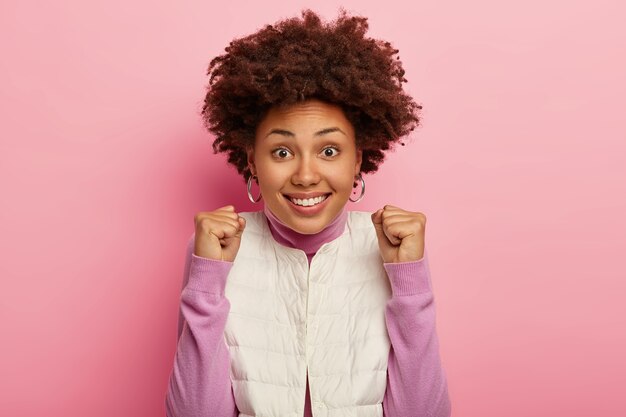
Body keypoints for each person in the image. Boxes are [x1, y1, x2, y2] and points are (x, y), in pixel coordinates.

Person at [165, 8, 451, 417]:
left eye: (329, 150)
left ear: (358, 160)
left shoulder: (391, 248)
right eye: (281, 151)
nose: (305, 174)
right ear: (252, 162)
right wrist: (207, 283)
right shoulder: (217, 248)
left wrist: (410, 288)